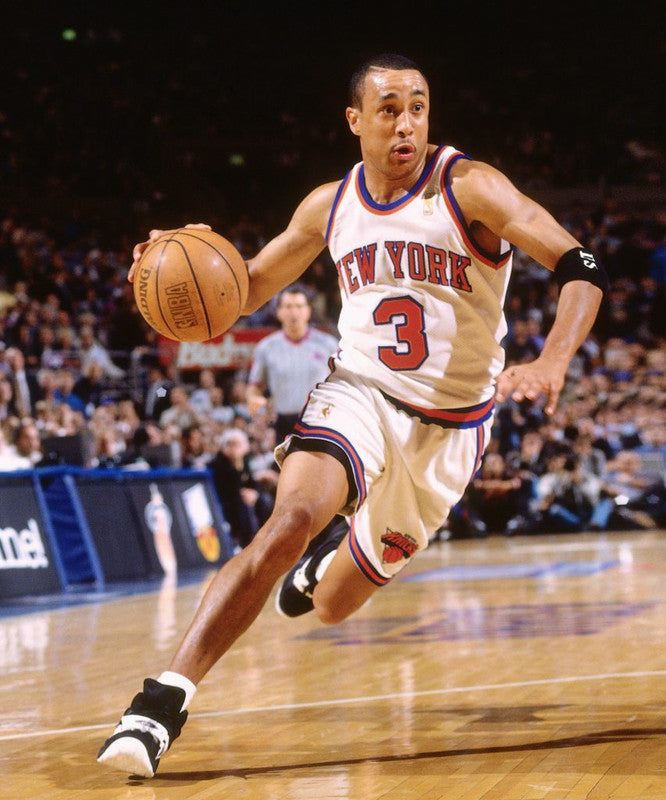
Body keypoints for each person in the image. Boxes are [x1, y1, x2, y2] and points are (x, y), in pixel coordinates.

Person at [97, 53, 606, 778]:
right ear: (355, 120)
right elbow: (242, 292)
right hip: (359, 393)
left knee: (333, 605)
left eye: (418, 107)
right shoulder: (328, 206)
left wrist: (553, 360)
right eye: (390, 109)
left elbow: (581, 265)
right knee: (289, 520)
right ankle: (159, 705)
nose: (406, 124)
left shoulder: (470, 187)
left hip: (449, 436)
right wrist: (180, 266)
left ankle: (322, 569)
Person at [246, 285, 340, 444]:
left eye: (299, 306)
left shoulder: (328, 344)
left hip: (322, 419)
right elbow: (254, 386)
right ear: (279, 312)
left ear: (308, 310)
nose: (294, 312)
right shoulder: (266, 347)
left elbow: (342, 382)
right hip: (284, 423)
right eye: (288, 306)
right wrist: (254, 400)